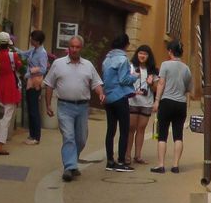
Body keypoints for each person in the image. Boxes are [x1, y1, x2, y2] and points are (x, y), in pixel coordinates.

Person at [44, 35, 105, 182]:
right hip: (65, 106)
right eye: (72, 46)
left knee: (81, 139)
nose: (74, 49)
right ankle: (69, 166)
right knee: (69, 136)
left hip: (82, 107)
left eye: (77, 47)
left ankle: (72, 161)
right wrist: (48, 105)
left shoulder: (88, 65)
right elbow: (49, 84)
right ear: (68, 47)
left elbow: (96, 83)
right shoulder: (58, 64)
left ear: (81, 48)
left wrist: (101, 93)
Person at [151, 40, 193, 174]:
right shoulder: (186, 68)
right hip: (180, 104)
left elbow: (161, 83)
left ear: (170, 51)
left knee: (162, 135)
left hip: (166, 101)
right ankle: (175, 165)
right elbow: (188, 89)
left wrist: (156, 101)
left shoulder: (165, 65)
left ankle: (161, 165)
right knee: (178, 135)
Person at [100, 33, 137, 171]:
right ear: (126, 45)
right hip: (120, 96)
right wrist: (134, 77)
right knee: (124, 129)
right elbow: (123, 79)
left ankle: (110, 161)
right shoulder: (123, 59)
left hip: (108, 97)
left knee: (111, 129)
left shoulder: (107, 59)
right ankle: (121, 161)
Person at [0, 31, 22, 155]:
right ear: (9, 43)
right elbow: (18, 67)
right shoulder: (13, 56)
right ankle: (0, 146)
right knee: (6, 118)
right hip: (10, 87)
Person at [127, 44, 159, 165]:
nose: (142, 56)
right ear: (137, 54)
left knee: (141, 129)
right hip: (132, 101)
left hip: (146, 102)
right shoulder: (130, 67)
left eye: (145, 54)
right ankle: (127, 155)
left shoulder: (152, 70)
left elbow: (156, 88)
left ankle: (138, 155)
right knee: (130, 128)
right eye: (140, 53)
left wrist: (151, 83)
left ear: (149, 56)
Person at [22, 30, 49, 144]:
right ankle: (31, 134)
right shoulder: (33, 50)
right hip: (30, 82)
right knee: (30, 109)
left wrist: (30, 72)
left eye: (32, 39)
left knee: (34, 110)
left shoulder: (42, 53)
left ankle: (36, 137)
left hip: (35, 83)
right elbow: (24, 54)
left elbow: (43, 69)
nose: (30, 40)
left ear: (37, 41)